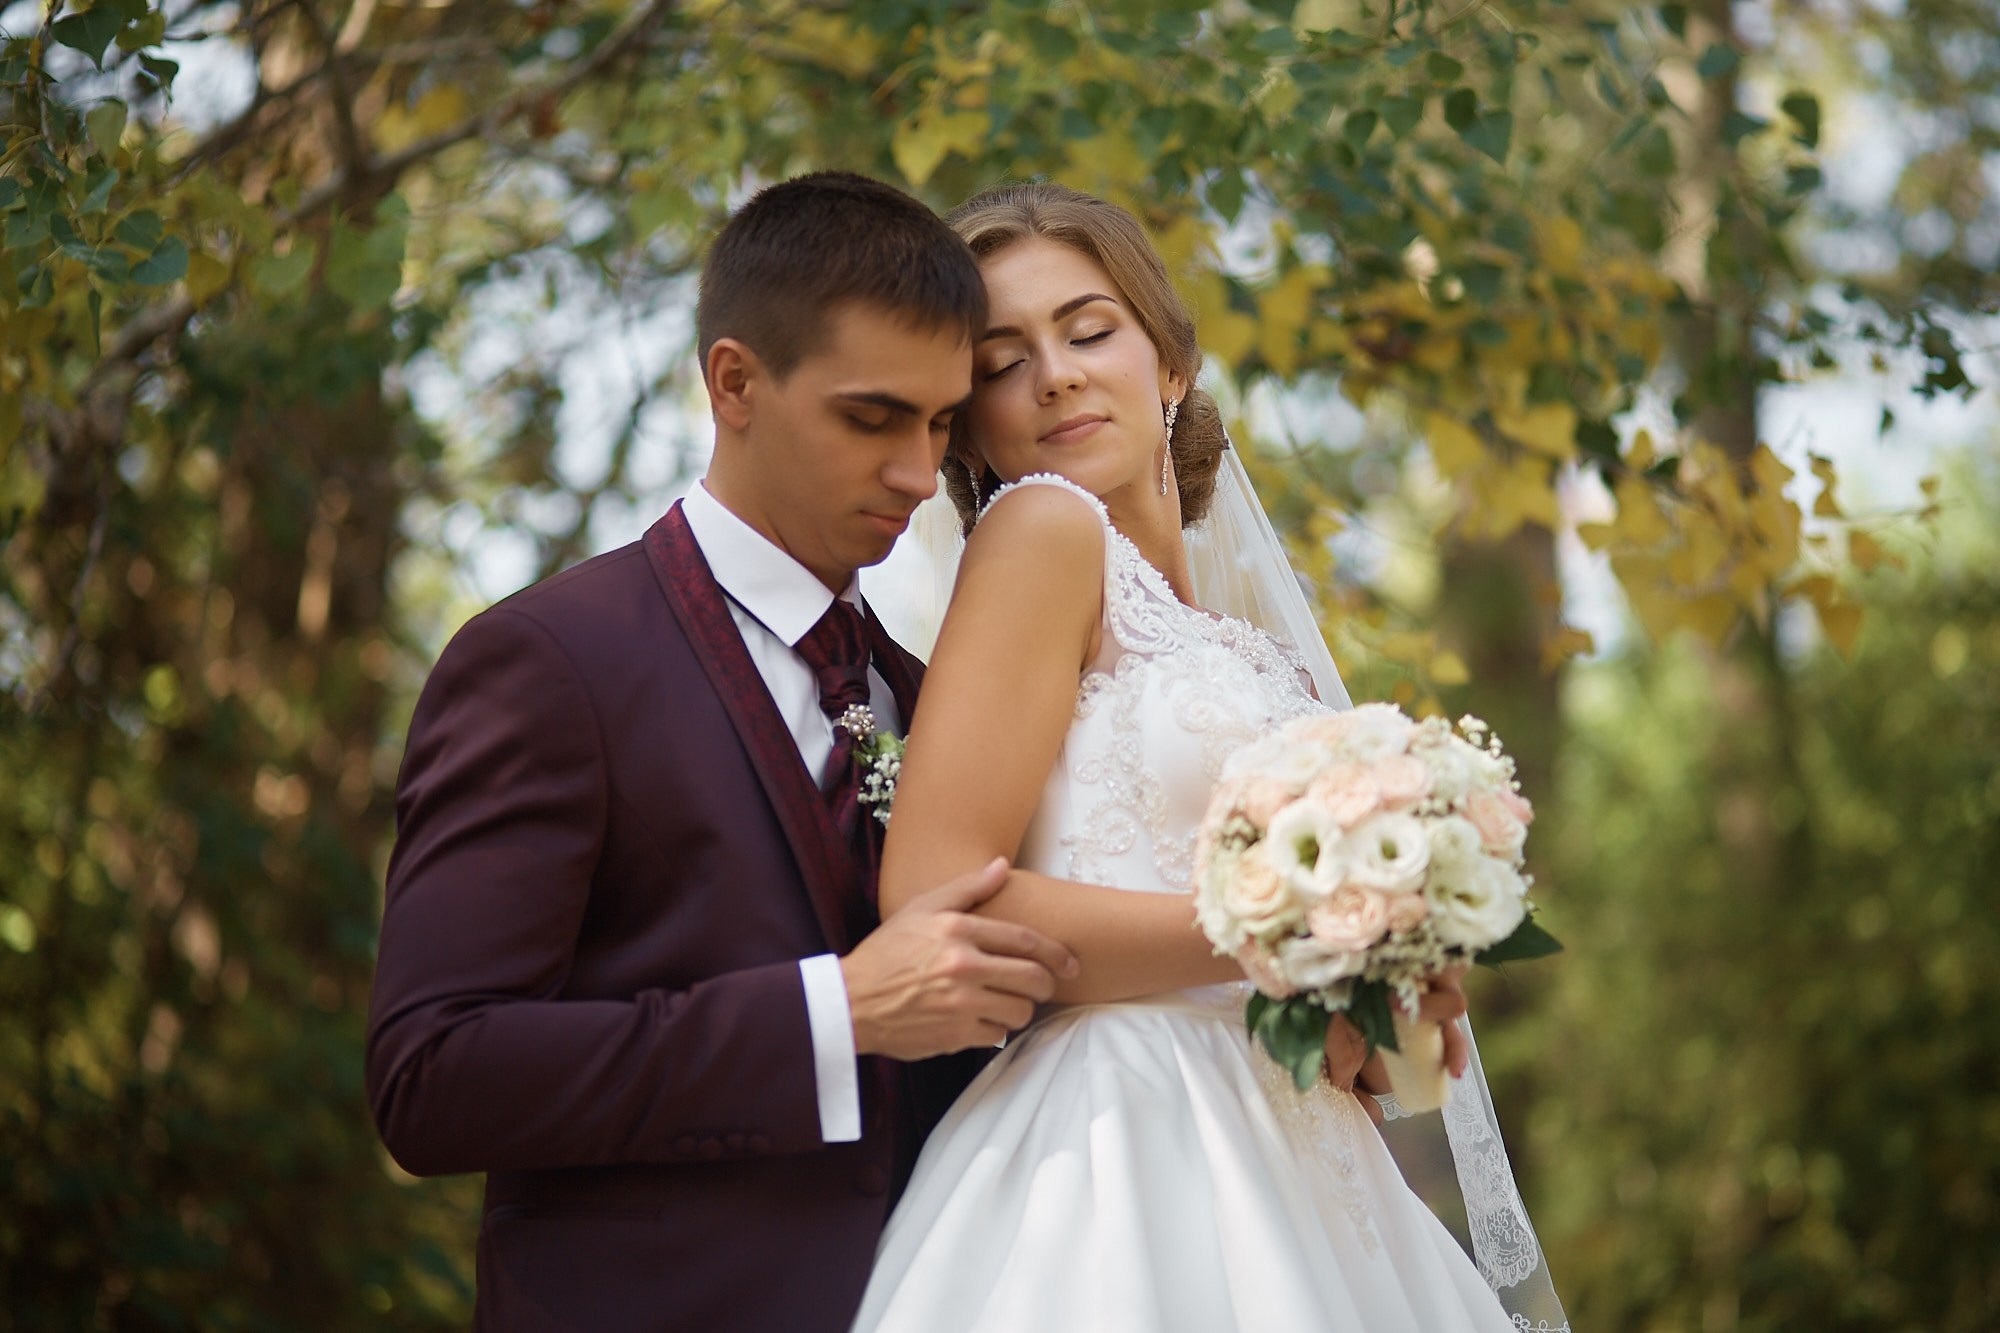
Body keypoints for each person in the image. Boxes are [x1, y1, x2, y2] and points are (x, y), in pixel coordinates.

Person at [364, 172, 1079, 1332]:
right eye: (871, 415)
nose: (916, 469)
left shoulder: (925, 693)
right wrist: (829, 1016)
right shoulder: (551, 660)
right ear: (734, 381)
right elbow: (432, 1077)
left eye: (941, 422)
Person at [850, 183, 1565, 1332]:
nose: (1055, 374)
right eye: (1000, 361)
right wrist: (1283, 932)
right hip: (1123, 1142)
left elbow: (1353, 1034)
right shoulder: (1039, 530)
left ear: (1171, 362)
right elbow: (933, 893)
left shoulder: (1251, 648)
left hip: (1312, 1159)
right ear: (969, 419)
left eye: (1089, 331)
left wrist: (1383, 973)